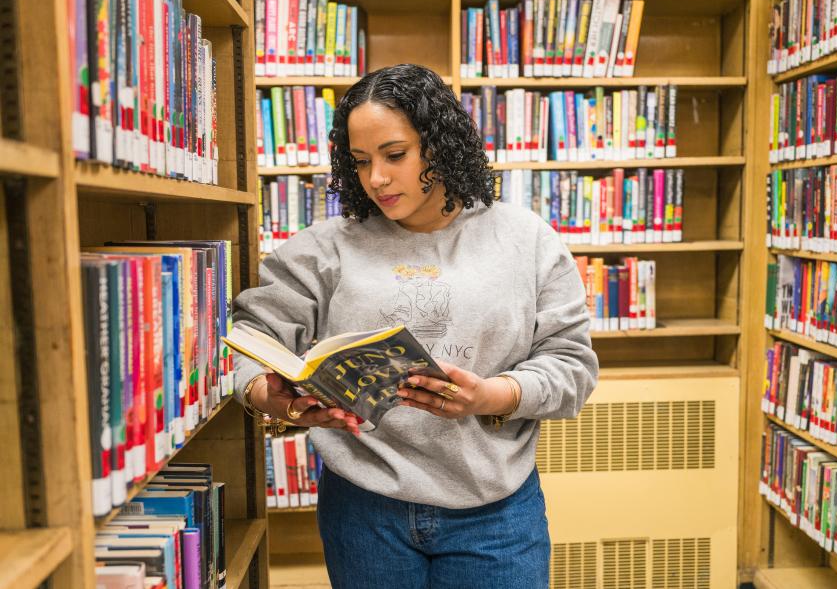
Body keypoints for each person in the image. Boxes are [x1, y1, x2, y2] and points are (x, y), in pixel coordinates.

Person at [232, 63, 598, 589]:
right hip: (364, 509)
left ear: (440, 146)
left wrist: (491, 395)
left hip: (495, 512)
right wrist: (279, 401)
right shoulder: (323, 249)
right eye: (360, 161)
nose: (376, 178)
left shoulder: (527, 240)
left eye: (395, 155)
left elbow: (572, 367)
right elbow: (247, 343)